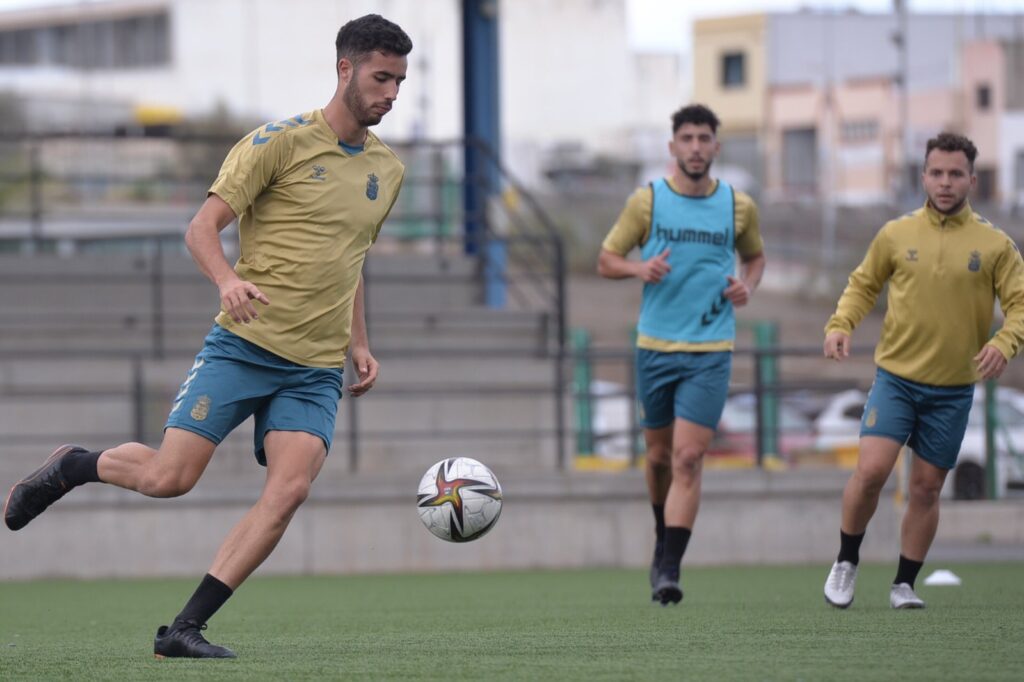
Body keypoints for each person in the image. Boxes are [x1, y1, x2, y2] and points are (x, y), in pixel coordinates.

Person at [2, 14, 411, 658]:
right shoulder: (275, 143)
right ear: (345, 69)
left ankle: (184, 630)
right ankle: (73, 465)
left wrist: (358, 343)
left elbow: (350, 258)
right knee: (170, 478)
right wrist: (226, 280)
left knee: (289, 492)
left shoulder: (387, 171)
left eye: (399, 82)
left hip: (313, 367)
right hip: (244, 347)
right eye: (381, 78)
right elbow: (200, 227)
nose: (391, 93)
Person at [822, 133, 1024, 610]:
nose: (946, 182)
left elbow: (1019, 308)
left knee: (927, 487)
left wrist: (1003, 342)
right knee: (871, 471)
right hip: (896, 380)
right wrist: (840, 324)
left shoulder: (995, 245)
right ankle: (847, 560)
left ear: (972, 180)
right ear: (924, 176)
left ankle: (903, 584)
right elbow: (862, 285)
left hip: (952, 390)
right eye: (937, 172)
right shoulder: (896, 234)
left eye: (956, 173)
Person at [597, 104, 766, 605]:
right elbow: (605, 260)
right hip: (655, 347)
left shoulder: (739, 206)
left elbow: (755, 258)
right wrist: (638, 270)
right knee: (658, 457)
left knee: (689, 458)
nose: (695, 147)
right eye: (687, 138)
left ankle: (670, 568)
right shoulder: (647, 202)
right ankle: (661, 534)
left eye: (704, 138)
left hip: (711, 347)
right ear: (673, 148)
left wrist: (747, 286)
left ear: (716, 146)